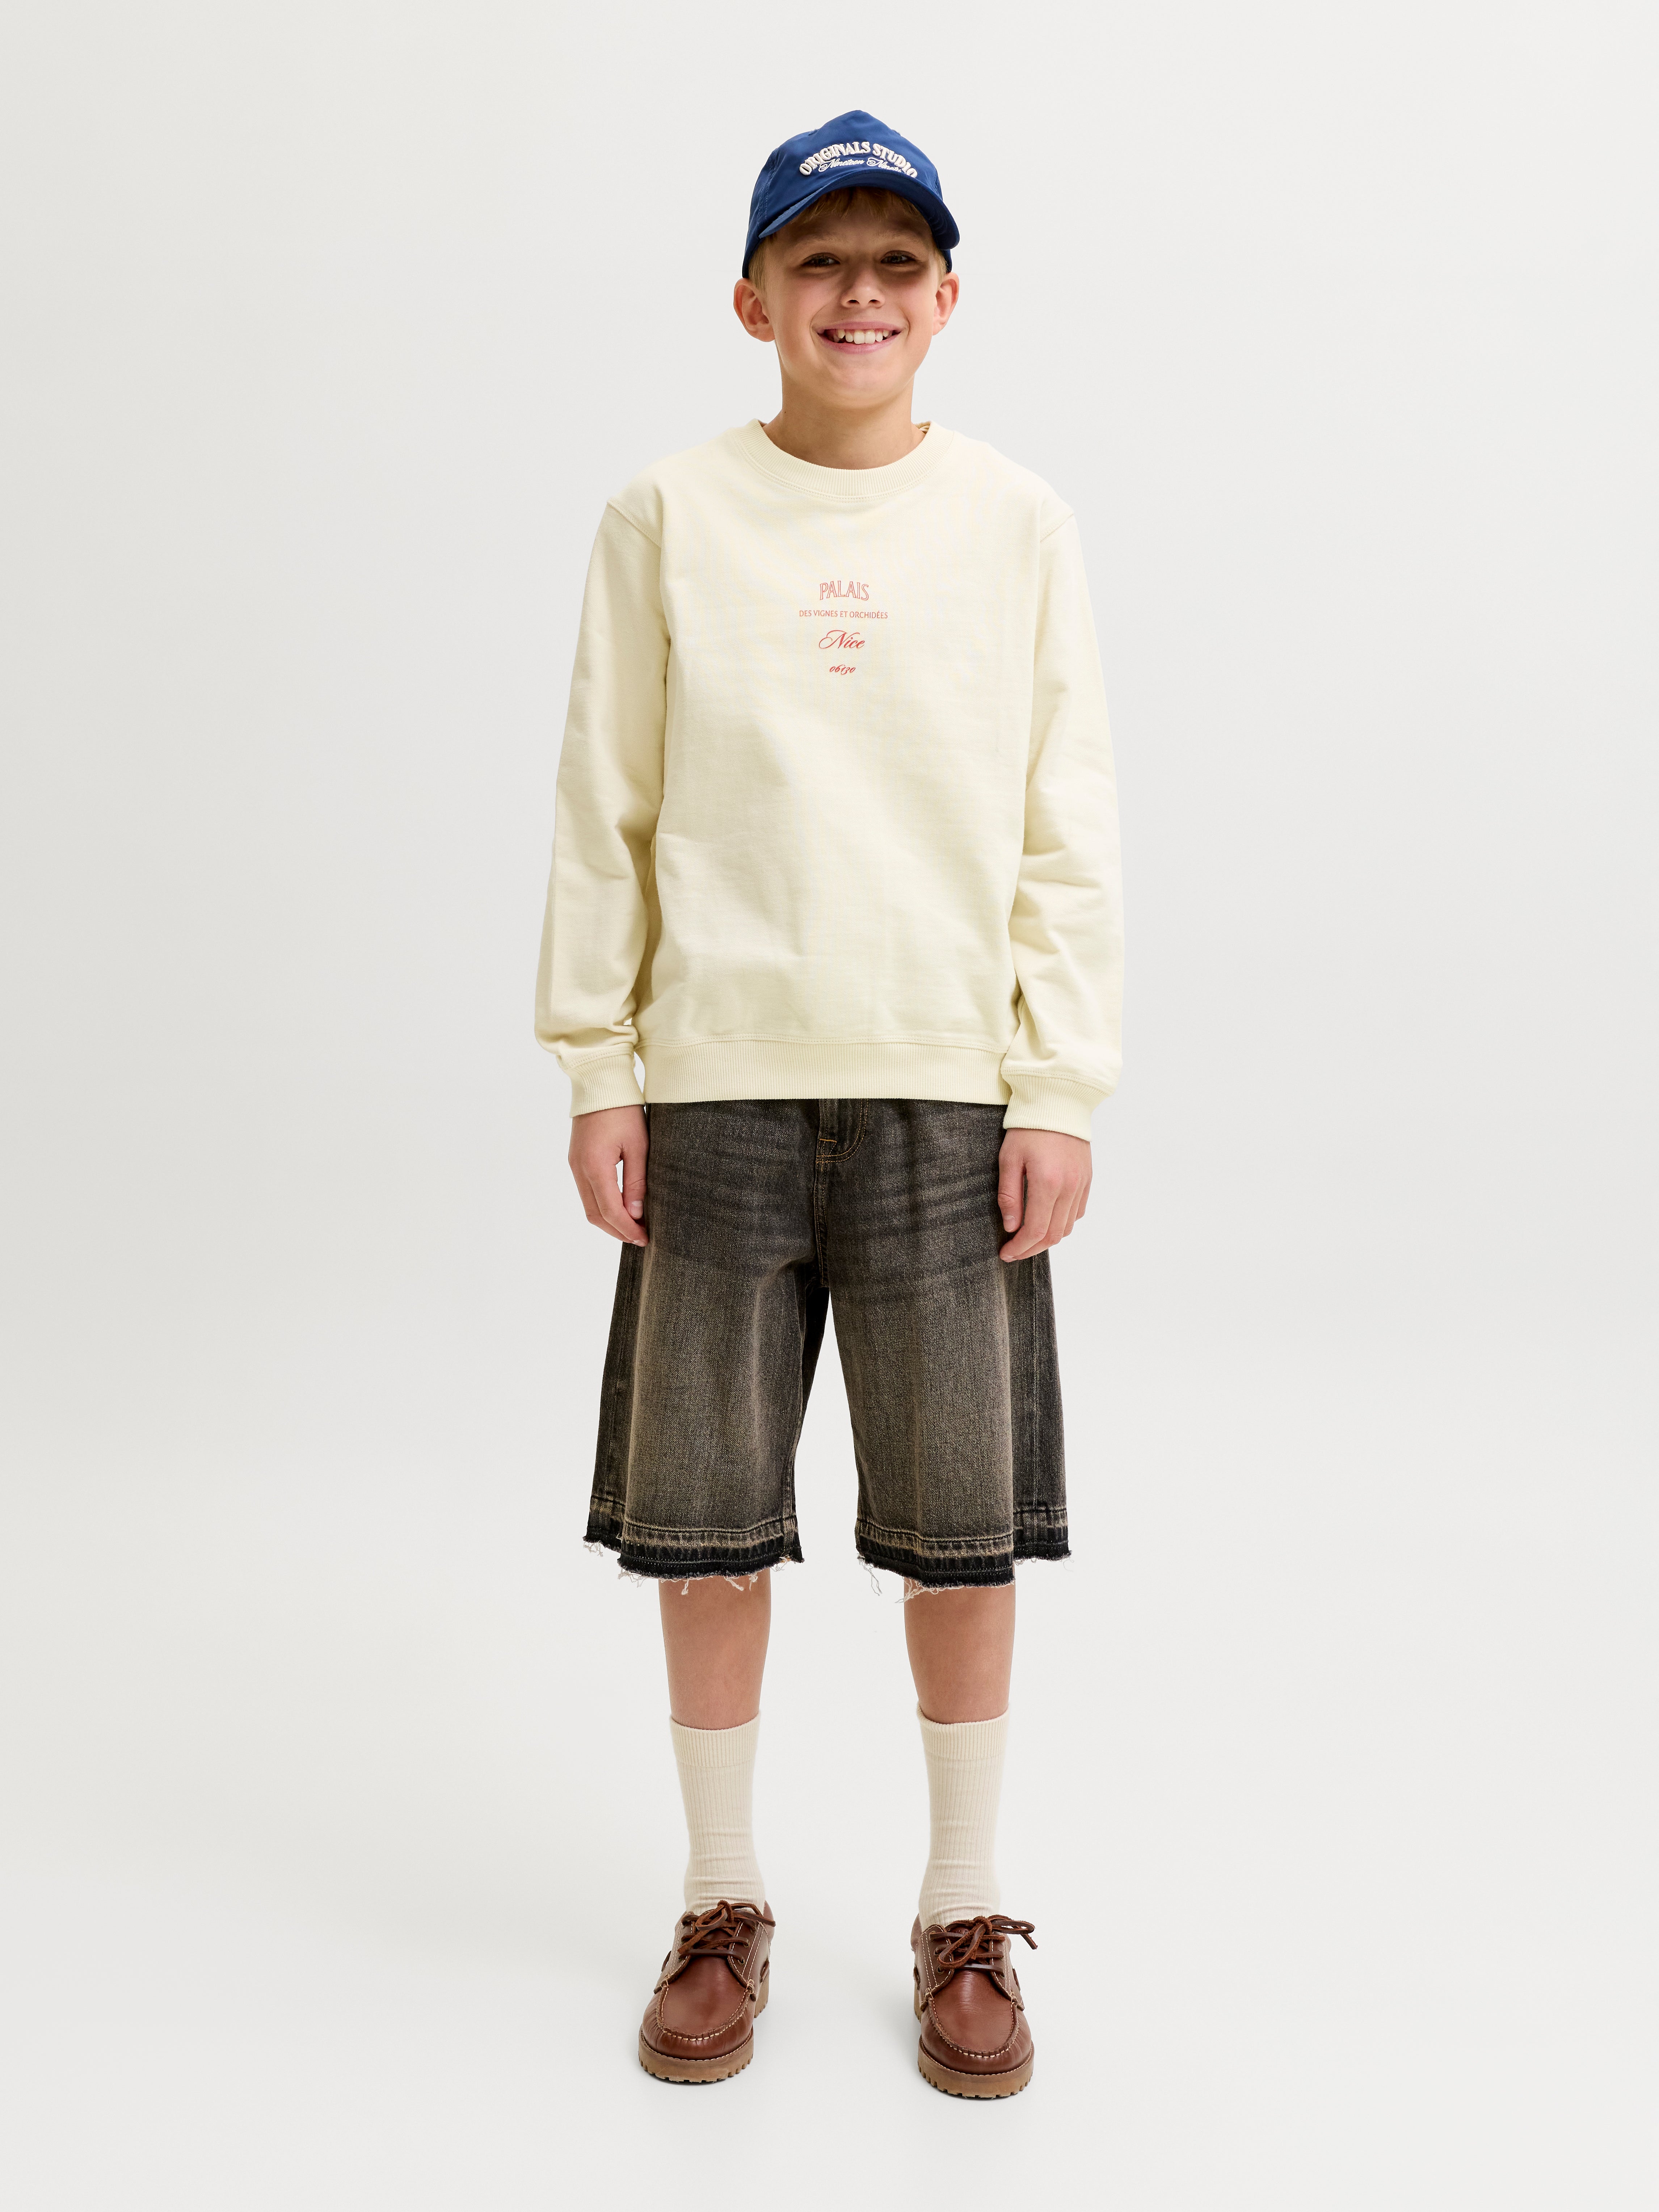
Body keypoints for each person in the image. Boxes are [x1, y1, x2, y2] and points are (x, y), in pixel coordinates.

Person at [535, 108, 1122, 2097]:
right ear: (752, 299)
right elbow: (606, 808)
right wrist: (600, 1064)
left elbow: (1064, 824)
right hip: (715, 1086)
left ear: (946, 301)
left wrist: (1055, 1083)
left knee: (962, 1534)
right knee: (708, 1527)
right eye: (819, 261)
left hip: (947, 1094)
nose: (856, 295)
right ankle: (722, 1898)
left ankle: (964, 1907)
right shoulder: (666, 517)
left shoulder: (1017, 524)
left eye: (894, 264)